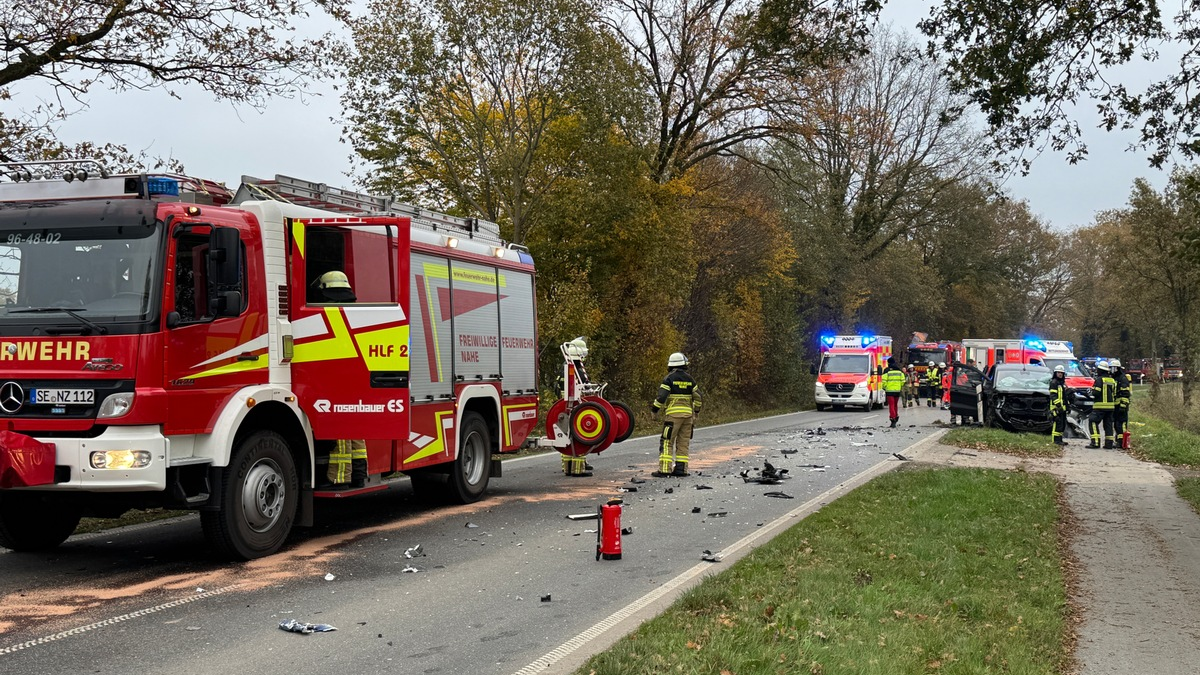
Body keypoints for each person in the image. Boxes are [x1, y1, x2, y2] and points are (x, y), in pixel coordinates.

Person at [314, 270, 368, 488]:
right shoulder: (353, 310)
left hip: (336, 377)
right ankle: (358, 475)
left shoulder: (328, 311)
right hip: (356, 377)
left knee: (341, 432)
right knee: (355, 430)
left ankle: (339, 478)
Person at [651, 352, 702, 477]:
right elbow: (699, 397)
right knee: (683, 442)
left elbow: (662, 397)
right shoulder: (690, 379)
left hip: (673, 417)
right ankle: (681, 470)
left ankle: (664, 470)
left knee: (667, 441)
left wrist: (654, 410)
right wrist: (696, 411)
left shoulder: (669, 379)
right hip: (688, 417)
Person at [1089, 360, 1118, 449]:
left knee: (1092, 422)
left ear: (1101, 370)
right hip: (1110, 407)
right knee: (1108, 425)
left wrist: (1091, 391)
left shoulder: (1099, 380)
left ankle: (1095, 443)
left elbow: (1096, 393)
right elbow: (1114, 393)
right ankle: (1109, 444)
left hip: (1100, 407)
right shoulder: (1112, 380)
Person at [1111, 358, 1132, 449]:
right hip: (1116, 406)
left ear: (1117, 368)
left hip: (1121, 406)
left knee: (1121, 425)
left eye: (1113, 368)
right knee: (1116, 424)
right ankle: (1119, 441)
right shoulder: (1114, 378)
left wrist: (1123, 406)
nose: (1111, 370)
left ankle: (1122, 442)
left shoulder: (1122, 378)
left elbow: (1125, 393)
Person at [881, 358, 905, 427]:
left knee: (891, 405)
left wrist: (885, 387)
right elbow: (903, 381)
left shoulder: (886, 370)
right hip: (897, 391)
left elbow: (883, 381)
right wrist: (899, 386)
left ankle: (893, 418)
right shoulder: (899, 371)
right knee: (895, 405)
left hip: (889, 391)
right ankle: (896, 416)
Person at [1049, 365, 1068, 446]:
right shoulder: (1054, 383)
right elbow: (1053, 396)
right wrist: (1058, 406)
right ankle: (1055, 441)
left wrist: (1067, 406)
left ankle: (1060, 440)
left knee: (1062, 425)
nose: (1060, 374)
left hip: (1062, 408)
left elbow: (1064, 397)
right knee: (1057, 424)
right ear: (1055, 373)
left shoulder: (1062, 383)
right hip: (1056, 408)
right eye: (1058, 372)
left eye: (1061, 373)